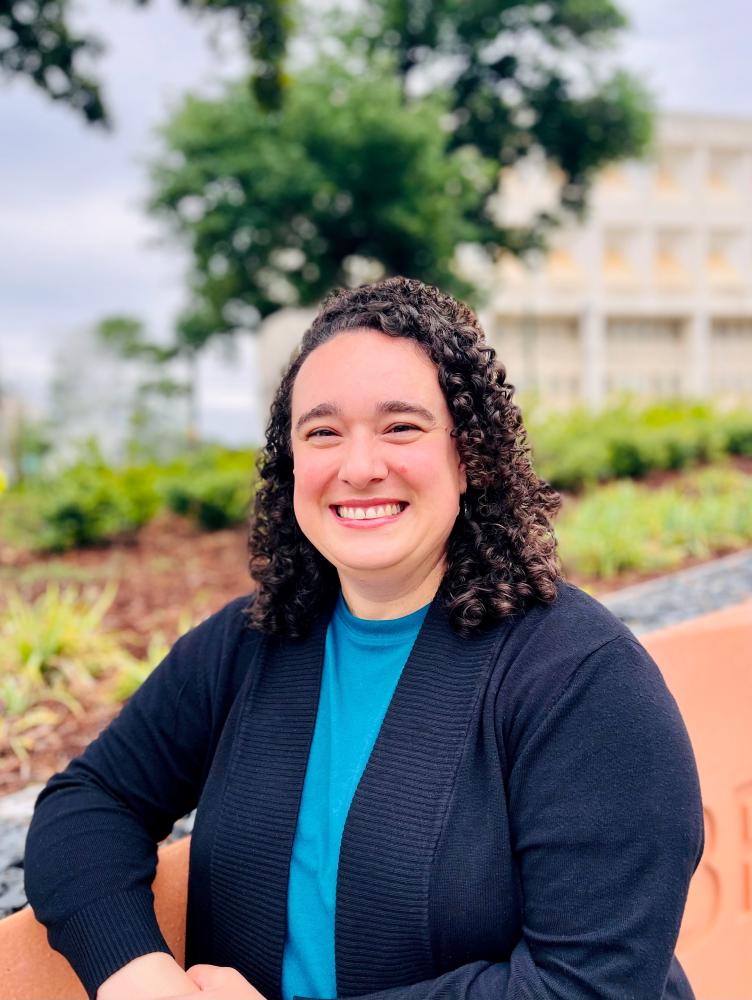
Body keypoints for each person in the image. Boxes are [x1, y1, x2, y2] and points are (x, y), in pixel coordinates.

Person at [24, 276, 704, 1000]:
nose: (358, 467)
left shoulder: (584, 681)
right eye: (322, 432)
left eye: (401, 426)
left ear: (469, 453)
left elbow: (587, 986)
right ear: (291, 464)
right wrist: (137, 974)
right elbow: (90, 802)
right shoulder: (250, 643)